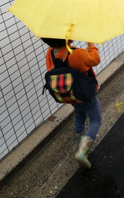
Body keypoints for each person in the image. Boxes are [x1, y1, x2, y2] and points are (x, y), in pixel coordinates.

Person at [41, 38, 102, 169]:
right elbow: (95, 60)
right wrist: (91, 44)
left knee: (80, 115)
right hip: (85, 94)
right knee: (96, 120)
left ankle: (81, 142)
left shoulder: (50, 52)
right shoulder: (77, 53)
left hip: (70, 94)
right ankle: (82, 151)